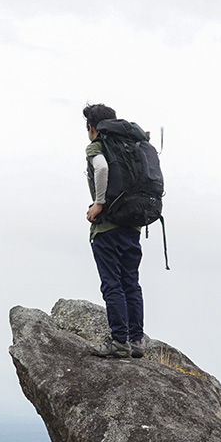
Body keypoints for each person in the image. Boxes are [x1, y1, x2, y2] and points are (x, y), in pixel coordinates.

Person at [82, 103, 145, 358]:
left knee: (112, 284)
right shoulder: (131, 145)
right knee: (131, 282)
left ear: (91, 127)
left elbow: (102, 168)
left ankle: (119, 341)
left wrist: (99, 203)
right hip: (133, 224)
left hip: (108, 227)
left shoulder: (98, 145)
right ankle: (137, 340)